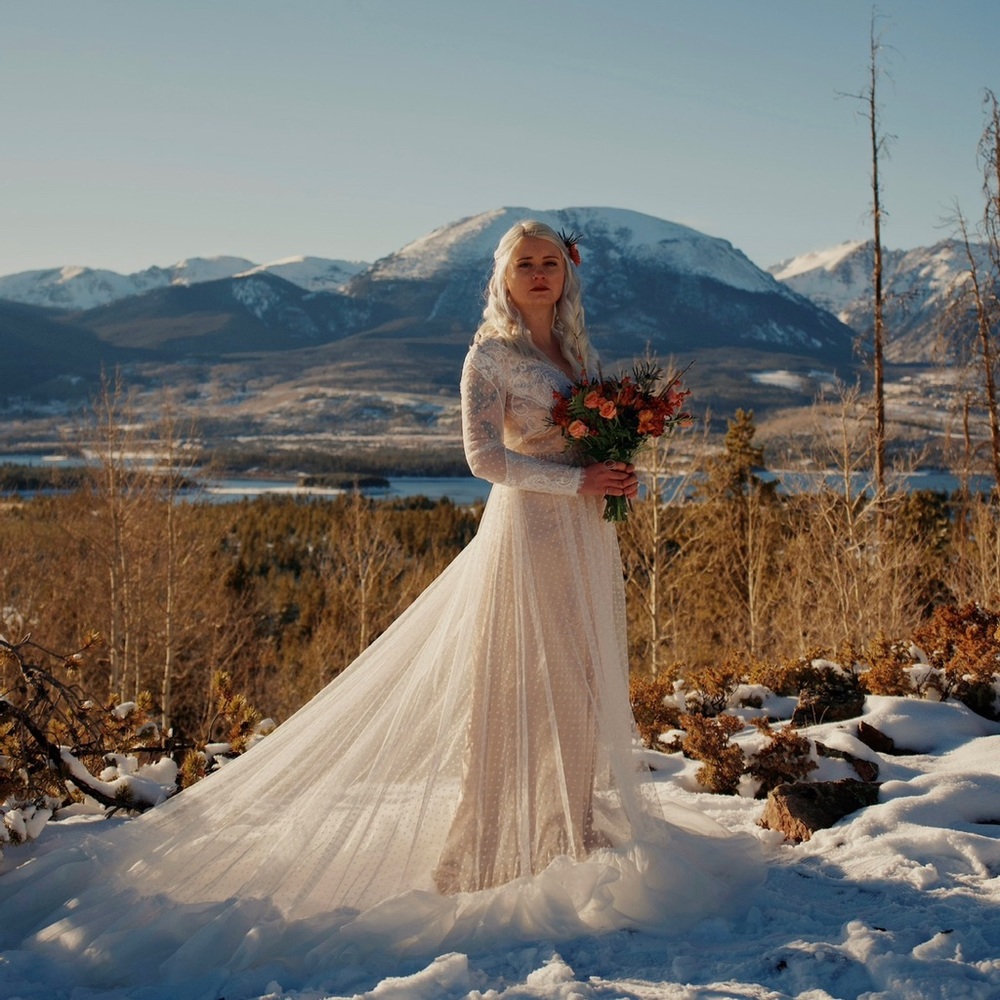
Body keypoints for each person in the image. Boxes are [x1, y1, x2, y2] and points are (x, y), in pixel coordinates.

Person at [0, 220, 759, 993]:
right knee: (514, 683)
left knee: (580, 678)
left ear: (568, 274)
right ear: (502, 277)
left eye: (550, 263)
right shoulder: (488, 355)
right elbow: (483, 458)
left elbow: (584, 441)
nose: (539, 274)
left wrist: (611, 467)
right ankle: (496, 849)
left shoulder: (577, 352)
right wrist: (575, 481)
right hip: (528, 531)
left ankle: (577, 830)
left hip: (584, 535)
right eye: (525, 263)